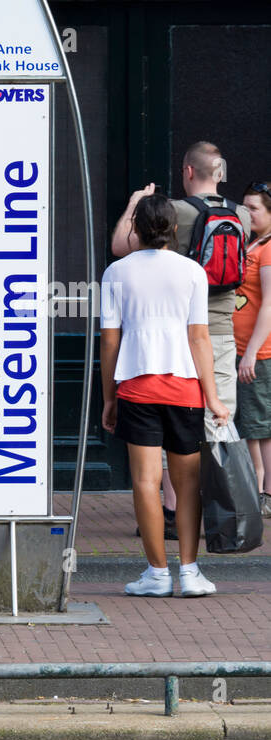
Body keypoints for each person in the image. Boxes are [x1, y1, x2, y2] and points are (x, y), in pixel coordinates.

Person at [111, 142, 252, 535]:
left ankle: (173, 512)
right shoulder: (241, 213)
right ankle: (223, 508)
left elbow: (122, 248)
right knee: (214, 419)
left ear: (188, 171)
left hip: (175, 335)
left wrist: (135, 204)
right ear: (219, 172)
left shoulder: (178, 212)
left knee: (171, 424)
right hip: (220, 331)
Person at [100, 194, 230, 597]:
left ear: (136, 228)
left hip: (137, 387)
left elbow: (109, 341)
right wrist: (212, 396)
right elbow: (199, 338)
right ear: (174, 229)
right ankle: (190, 572)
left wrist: (109, 397)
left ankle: (156, 574)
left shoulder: (116, 273)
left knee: (144, 481)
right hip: (184, 388)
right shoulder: (192, 271)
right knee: (188, 484)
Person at [234, 181, 271, 517]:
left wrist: (251, 352)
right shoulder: (250, 243)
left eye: (254, 208)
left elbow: (270, 304)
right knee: (255, 424)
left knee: (258, 424)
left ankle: (263, 491)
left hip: (257, 352)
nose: (246, 213)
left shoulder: (269, 249)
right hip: (243, 349)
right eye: (243, 207)